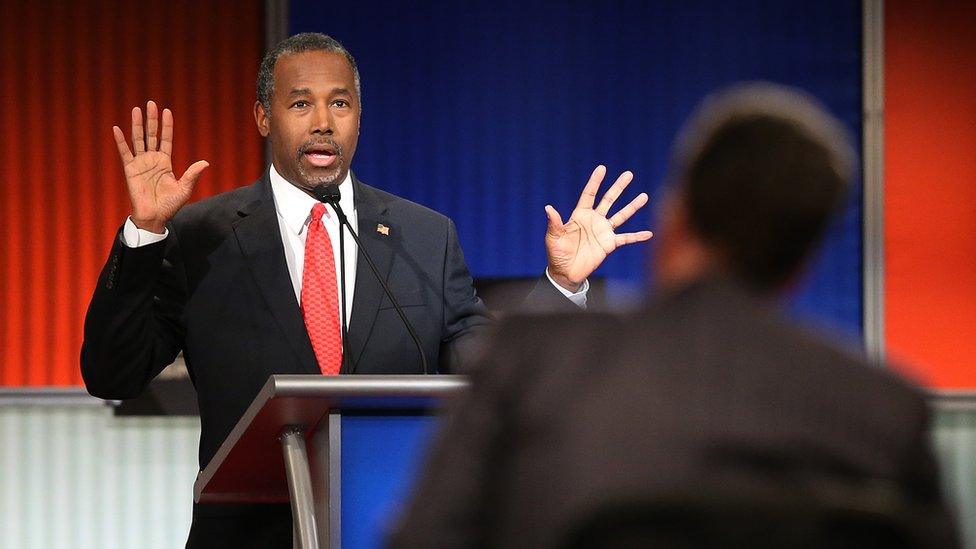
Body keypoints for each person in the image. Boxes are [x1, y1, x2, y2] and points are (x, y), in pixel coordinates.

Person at [80, 33, 651, 547]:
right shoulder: (200, 236)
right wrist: (146, 233)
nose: (323, 121)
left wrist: (562, 286)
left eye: (340, 103)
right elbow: (113, 373)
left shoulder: (424, 237)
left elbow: (489, 375)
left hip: (387, 529)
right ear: (263, 117)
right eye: (300, 103)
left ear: (358, 117)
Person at [389, 84, 958, 548]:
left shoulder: (532, 364)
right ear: (802, 262)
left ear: (676, 218)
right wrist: (565, 283)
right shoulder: (888, 414)